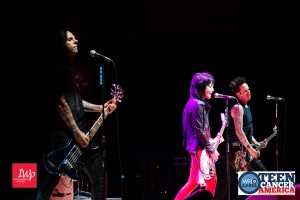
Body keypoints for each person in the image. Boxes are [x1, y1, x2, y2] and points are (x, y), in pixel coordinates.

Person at [33, 27, 117, 200]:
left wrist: (100, 108)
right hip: (62, 138)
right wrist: (77, 132)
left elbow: (77, 103)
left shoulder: (70, 70)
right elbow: (61, 103)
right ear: (60, 45)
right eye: (70, 39)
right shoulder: (54, 69)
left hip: (78, 136)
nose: (76, 41)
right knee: (49, 180)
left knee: (98, 173)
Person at [214, 76, 268, 200]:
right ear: (238, 94)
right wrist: (252, 150)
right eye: (245, 91)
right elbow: (239, 133)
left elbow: (247, 132)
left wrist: (256, 143)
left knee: (227, 181)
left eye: (248, 89)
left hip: (244, 151)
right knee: (255, 179)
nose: (249, 92)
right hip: (237, 153)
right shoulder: (237, 108)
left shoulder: (247, 108)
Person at [174, 72, 221, 200]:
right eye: (210, 86)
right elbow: (199, 131)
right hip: (201, 149)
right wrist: (211, 150)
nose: (213, 89)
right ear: (201, 87)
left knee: (193, 181)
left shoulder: (193, 103)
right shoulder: (198, 104)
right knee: (211, 181)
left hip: (197, 148)